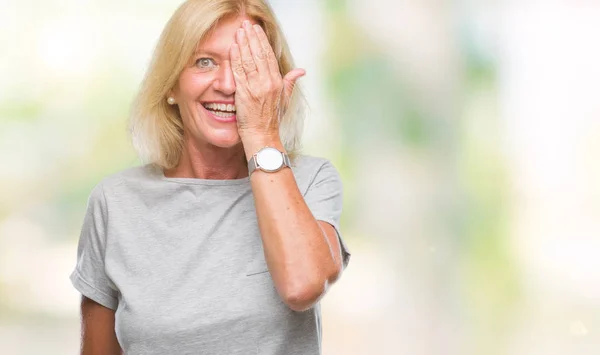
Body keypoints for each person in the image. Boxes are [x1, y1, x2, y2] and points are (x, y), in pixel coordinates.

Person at [69, 0, 351, 354]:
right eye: (205, 62)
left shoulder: (311, 180)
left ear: (273, 84)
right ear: (171, 84)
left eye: (248, 66)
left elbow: (302, 286)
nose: (229, 84)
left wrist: (262, 136)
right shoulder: (115, 201)